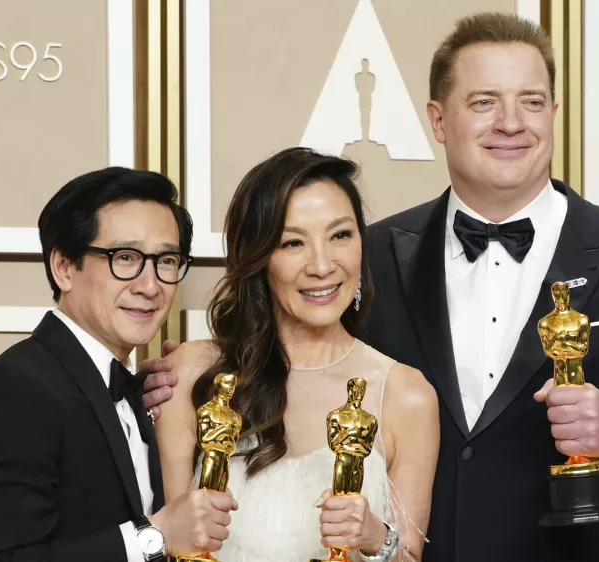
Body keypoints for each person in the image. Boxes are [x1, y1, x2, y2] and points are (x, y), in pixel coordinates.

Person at [143, 12, 599, 561]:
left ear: (554, 110)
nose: (510, 122)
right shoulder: (362, 255)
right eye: (484, 102)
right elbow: (282, 358)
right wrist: (167, 378)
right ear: (438, 118)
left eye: (530, 101)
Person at [151, 147, 439, 562]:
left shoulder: (405, 394)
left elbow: (409, 557)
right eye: (292, 243)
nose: (322, 265)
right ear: (259, 258)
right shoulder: (193, 374)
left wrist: (376, 536)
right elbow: (172, 544)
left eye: (340, 235)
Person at [0, 168, 237, 562]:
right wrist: (153, 536)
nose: (150, 285)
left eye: (167, 260)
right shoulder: (10, 390)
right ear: (64, 268)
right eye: (125, 257)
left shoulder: (134, 390)